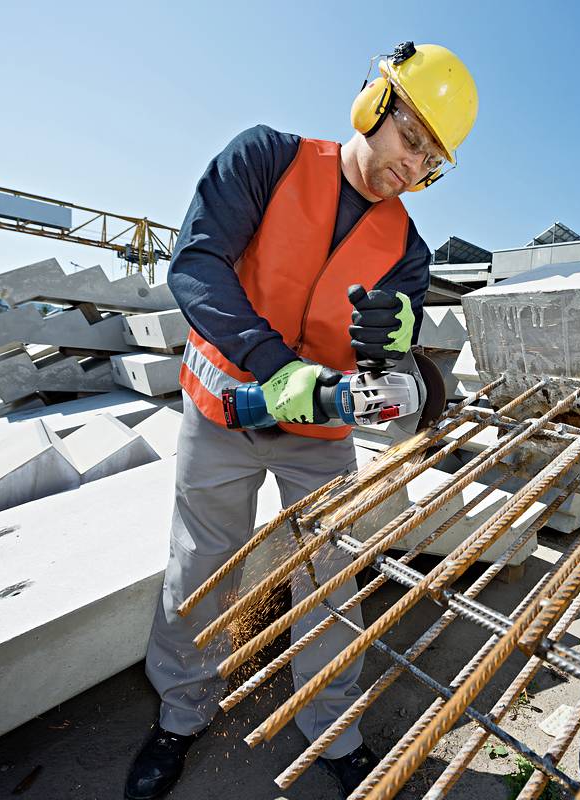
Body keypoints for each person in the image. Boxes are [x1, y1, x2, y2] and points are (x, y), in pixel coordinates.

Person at [124, 42, 478, 799]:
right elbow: (195, 264)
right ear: (372, 105)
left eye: (431, 161)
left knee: (331, 580)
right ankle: (180, 716)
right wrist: (272, 365)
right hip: (223, 408)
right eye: (411, 138)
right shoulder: (265, 161)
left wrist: (398, 347)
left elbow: (396, 355)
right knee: (198, 569)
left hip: (318, 438)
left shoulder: (406, 249)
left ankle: (333, 730)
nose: (412, 168)